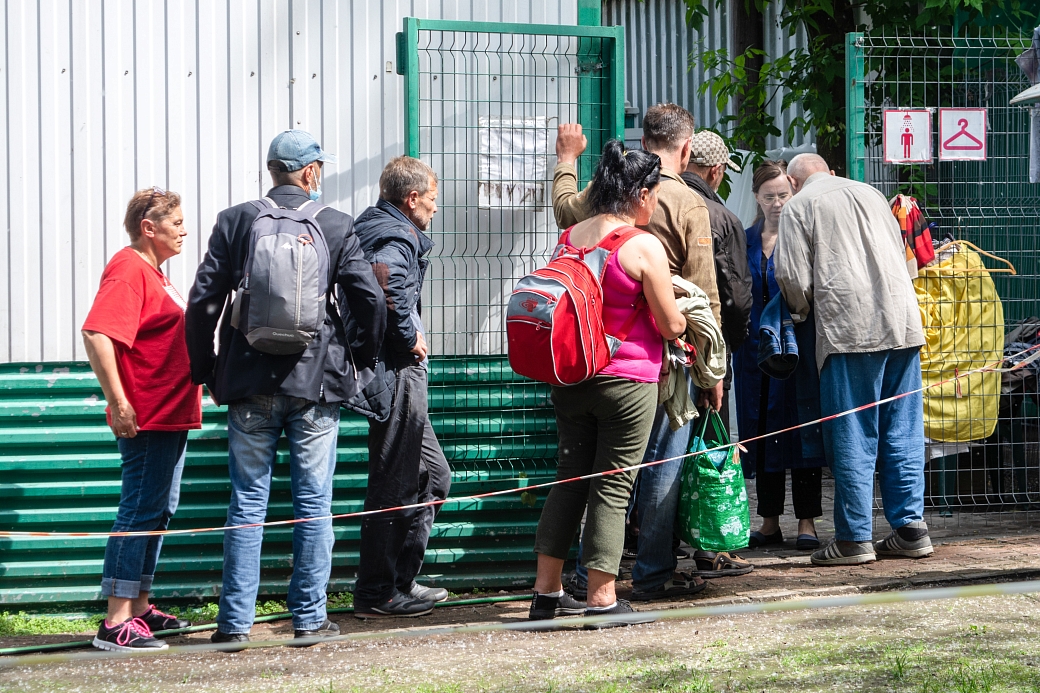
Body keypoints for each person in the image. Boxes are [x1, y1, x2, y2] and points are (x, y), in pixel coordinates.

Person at [185, 130, 387, 645]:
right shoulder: (335, 224)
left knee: (247, 503)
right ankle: (310, 619)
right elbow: (369, 300)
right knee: (314, 502)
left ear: (272, 170)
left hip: (247, 380)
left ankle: (233, 625)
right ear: (311, 172)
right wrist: (362, 362)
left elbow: (203, 301)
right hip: (315, 383)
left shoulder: (235, 221)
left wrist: (206, 370)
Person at [552, 105, 724, 601]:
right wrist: (713, 370)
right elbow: (704, 293)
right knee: (659, 467)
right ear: (686, 149)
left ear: (643, 141)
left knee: (587, 476)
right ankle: (650, 574)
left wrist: (566, 160)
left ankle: (582, 577)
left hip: (587, 357)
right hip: (656, 361)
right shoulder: (687, 205)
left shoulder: (599, 197)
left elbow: (565, 210)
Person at [529, 140, 688, 628]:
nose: (654, 203)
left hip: (572, 377)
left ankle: (545, 594)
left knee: (569, 481)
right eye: (654, 194)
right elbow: (670, 324)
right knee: (613, 486)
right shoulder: (642, 245)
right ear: (641, 194)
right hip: (627, 384)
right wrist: (685, 315)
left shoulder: (570, 237)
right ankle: (601, 599)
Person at [775, 153, 932, 566]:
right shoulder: (872, 193)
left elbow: (793, 279)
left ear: (792, 182)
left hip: (849, 331)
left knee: (853, 432)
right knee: (902, 429)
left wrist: (798, 315)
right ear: (830, 171)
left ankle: (854, 537)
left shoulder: (799, 206)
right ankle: (911, 529)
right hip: (903, 323)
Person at [82, 187, 201, 651]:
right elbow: (97, 333)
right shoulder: (129, 268)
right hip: (148, 415)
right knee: (138, 510)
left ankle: (139, 607)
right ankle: (116, 621)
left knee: (157, 510)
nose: (184, 230)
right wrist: (119, 401)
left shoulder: (155, 273)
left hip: (170, 413)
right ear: (148, 228)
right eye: (176, 223)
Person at [346, 156, 452, 619]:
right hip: (396, 370)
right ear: (411, 199)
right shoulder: (395, 235)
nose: (434, 208)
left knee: (433, 477)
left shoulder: (377, 225)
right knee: (396, 480)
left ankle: (399, 582)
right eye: (431, 199)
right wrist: (410, 338)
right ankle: (376, 593)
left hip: (395, 369)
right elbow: (387, 287)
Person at [735, 160, 825, 551]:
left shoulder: (804, 236)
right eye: (769, 196)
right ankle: (769, 521)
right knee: (761, 432)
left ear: (794, 194)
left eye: (783, 195)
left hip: (796, 349)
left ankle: (807, 521)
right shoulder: (744, 239)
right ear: (756, 197)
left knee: (803, 430)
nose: (777, 204)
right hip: (754, 352)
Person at [681, 130, 753, 432]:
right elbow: (736, 297)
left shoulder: (655, 203)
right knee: (709, 443)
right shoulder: (723, 218)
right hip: (709, 348)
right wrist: (729, 344)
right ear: (716, 171)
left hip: (663, 344)